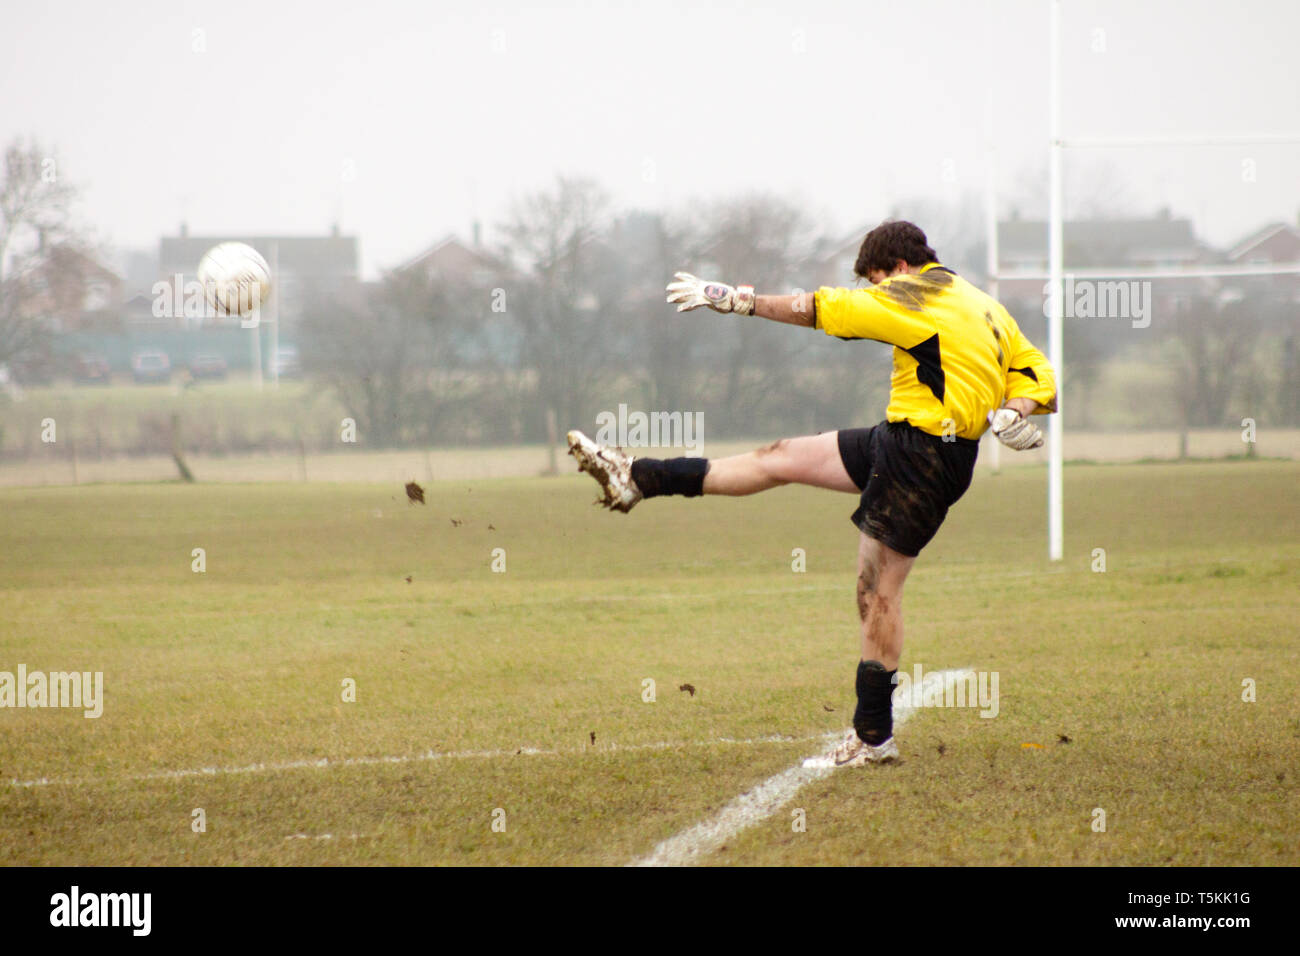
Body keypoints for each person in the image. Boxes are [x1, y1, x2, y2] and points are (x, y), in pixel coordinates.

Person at [566, 220, 1056, 766]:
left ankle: (873, 737)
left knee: (877, 592)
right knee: (779, 458)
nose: (875, 293)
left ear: (896, 268)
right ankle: (638, 478)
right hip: (903, 439)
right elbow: (1036, 371)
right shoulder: (985, 305)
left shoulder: (915, 293)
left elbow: (825, 309)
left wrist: (735, 300)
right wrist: (1015, 411)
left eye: (875, 280)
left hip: (922, 457)